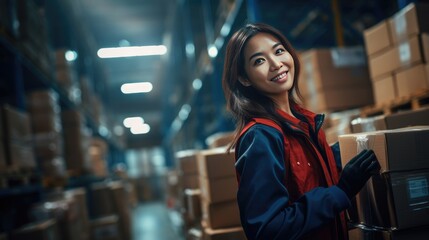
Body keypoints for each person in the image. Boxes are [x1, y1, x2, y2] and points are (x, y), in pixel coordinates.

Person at [221, 23, 380, 240]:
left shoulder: (303, 122)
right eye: (259, 61)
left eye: (279, 51)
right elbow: (268, 230)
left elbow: (301, 175)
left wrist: (334, 156)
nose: (276, 64)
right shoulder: (261, 137)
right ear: (244, 78)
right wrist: (341, 191)